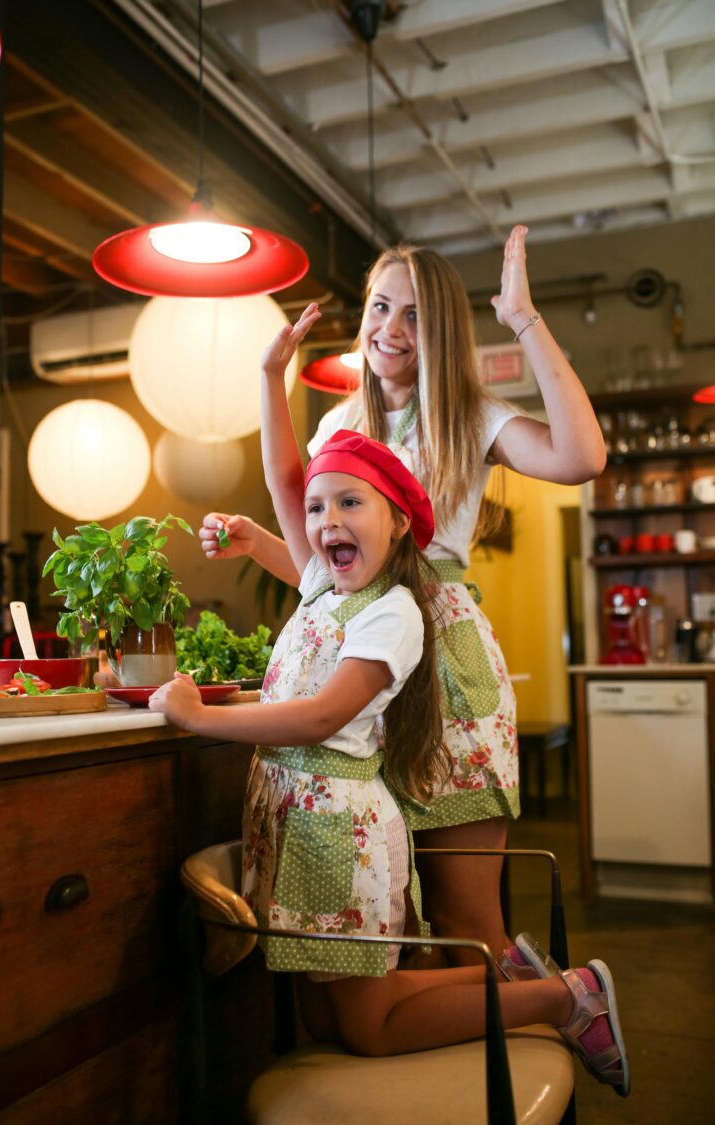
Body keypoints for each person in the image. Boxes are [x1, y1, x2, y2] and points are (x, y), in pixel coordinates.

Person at [151, 428, 627, 1095]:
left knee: (369, 1027)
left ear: (399, 523)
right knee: (327, 1019)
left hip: (339, 838)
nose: (327, 520)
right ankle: (509, 976)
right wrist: (254, 538)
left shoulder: (393, 613)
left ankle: (565, 997)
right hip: (303, 835)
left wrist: (201, 717)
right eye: (315, 507)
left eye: (350, 502)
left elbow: (322, 716)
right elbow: (291, 526)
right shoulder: (325, 591)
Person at [199, 224, 607, 969]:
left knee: (461, 911)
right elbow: (319, 565)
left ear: (443, 328)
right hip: (360, 667)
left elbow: (581, 457)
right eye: (381, 307)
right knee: (396, 917)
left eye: (415, 314)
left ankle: (552, 1010)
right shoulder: (340, 421)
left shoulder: (470, 415)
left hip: (444, 670)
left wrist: (522, 318)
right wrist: (269, 386)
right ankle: (521, 1014)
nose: (390, 328)